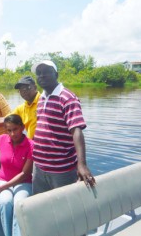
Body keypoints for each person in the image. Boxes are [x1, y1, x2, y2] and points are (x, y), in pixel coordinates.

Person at [31, 60, 96, 195]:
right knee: (40, 206)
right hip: (39, 167)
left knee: (64, 209)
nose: (41, 76)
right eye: (39, 73)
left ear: (56, 74)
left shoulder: (67, 98)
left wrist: (82, 164)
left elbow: (76, 130)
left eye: (46, 72)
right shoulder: (42, 98)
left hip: (61, 170)